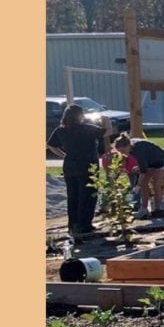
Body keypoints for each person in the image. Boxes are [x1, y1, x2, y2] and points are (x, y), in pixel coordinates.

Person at [48, 101, 106, 241]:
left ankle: (73, 224)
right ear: (79, 116)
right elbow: (106, 132)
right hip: (87, 165)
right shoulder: (87, 128)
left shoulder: (61, 130)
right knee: (88, 195)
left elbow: (50, 145)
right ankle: (84, 224)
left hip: (70, 166)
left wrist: (63, 155)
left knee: (73, 196)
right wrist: (106, 121)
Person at [128, 133, 164, 216]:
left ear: (127, 146)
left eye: (122, 151)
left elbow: (143, 172)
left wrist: (137, 186)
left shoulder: (137, 150)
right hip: (151, 163)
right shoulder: (130, 147)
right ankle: (144, 209)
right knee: (144, 184)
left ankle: (158, 209)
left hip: (162, 161)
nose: (122, 153)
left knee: (156, 184)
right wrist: (139, 167)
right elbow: (144, 162)